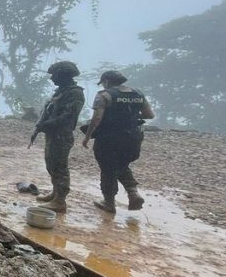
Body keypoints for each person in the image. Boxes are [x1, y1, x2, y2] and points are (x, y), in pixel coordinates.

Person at [82, 70, 153, 213]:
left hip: (109, 138)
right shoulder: (138, 94)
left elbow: (97, 119)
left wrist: (87, 136)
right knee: (121, 164)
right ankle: (133, 193)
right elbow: (149, 114)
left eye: (103, 82)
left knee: (108, 168)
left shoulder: (104, 95)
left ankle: (109, 203)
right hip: (133, 138)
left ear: (107, 81)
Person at [31, 61, 85, 213]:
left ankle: (60, 200)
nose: (52, 78)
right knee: (51, 164)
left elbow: (68, 116)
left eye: (54, 75)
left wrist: (46, 124)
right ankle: (55, 193)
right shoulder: (61, 91)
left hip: (61, 135)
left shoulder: (75, 93)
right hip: (53, 134)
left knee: (60, 167)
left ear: (63, 75)